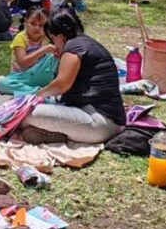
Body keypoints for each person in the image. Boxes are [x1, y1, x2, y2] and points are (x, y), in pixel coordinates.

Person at [19, 10, 125, 145]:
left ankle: (51, 131)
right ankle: (57, 133)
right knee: (34, 110)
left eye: (52, 38)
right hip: (103, 119)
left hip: (99, 123)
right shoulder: (85, 43)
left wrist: (36, 97)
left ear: (60, 36)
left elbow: (61, 85)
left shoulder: (73, 47)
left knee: (28, 113)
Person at [9, 8, 53, 72]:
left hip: (40, 74)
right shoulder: (20, 38)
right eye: (33, 24)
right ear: (26, 21)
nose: (36, 28)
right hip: (20, 76)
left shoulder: (47, 38)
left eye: (41, 25)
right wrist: (43, 50)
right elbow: (22, 63)